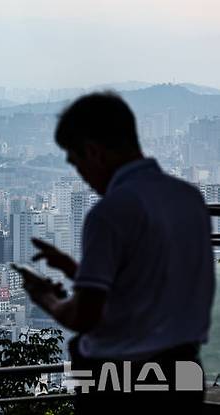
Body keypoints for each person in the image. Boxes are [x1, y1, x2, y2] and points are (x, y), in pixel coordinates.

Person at [13, 92, 215, 414]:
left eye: (77, 162)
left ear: (94, 152)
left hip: (120, 382)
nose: (82, 175)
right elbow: (149, 288)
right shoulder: (188, 199)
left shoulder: (110, 212)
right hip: (184, 373)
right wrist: (74, 269)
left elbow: (85, 316)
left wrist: (47, 300)